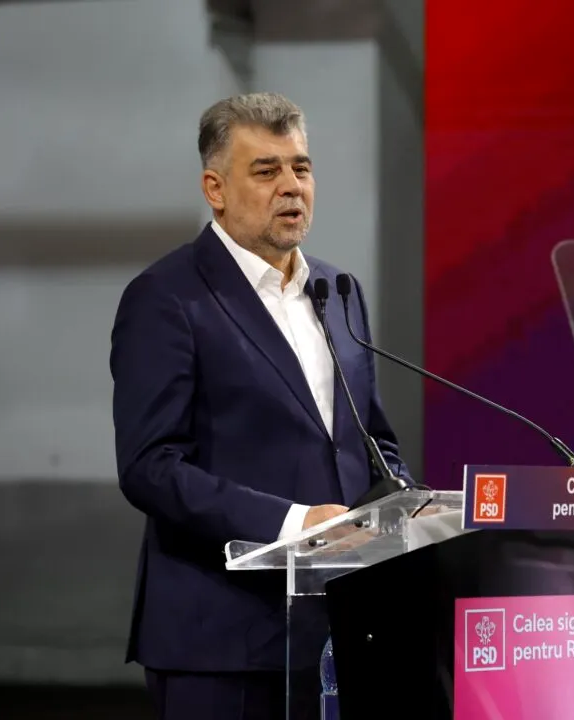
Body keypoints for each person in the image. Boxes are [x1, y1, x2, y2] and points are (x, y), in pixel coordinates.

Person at [110, 92, 412, 720]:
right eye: (266, 170)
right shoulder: (167, 298)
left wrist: (405, 506)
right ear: (215, 189)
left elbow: (368, 438)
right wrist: (295, 523)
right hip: (220, 641)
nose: (291, 186)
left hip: (340, 631)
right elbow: (150, 467)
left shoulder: (337, 290)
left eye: (301, 168)